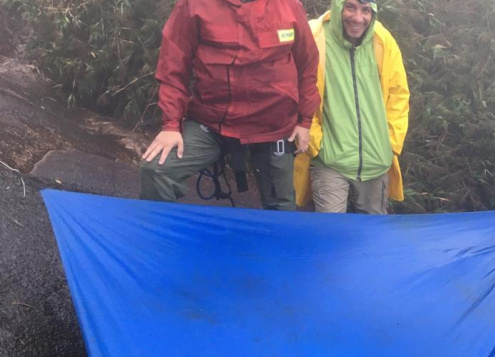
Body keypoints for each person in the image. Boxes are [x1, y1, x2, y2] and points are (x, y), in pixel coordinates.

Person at [140, 0, 320, 211]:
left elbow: (307, 65)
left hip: (272, 126)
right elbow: (173, 65)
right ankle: (162, 238)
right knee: (157, 170)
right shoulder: (194, 4)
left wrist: (305, 120)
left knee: (281, 209)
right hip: (212, 122)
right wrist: (171, 125)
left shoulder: (288, 6)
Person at [293, 0, 409, 214]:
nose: (358, 18)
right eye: (351, 7)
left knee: (372, 236)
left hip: (376, 161)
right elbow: (298, 90)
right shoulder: (315, 37)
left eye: (366, 10)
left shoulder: (382, 40)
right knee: (331, 234)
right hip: (330, 161)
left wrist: (390, 143)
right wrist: (317, 145)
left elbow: (398, 95)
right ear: (338, 6)